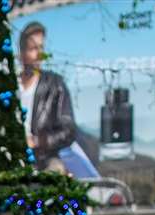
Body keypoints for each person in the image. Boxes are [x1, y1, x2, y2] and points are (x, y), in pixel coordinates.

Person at [18, 22, 100, 178]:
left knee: (53, 176)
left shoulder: (55, 85)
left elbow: (68, 129)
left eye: (41, 48)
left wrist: (37, 142)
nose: (39, 54)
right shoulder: (11, 87)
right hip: (15, 160)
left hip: (45, 160)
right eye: (33, 49)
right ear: (22, 52)